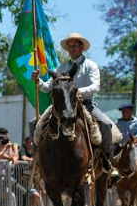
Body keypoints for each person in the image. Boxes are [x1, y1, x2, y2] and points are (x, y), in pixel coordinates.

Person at [31, 32, 117, 177]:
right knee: (35, 124)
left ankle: (107, 162)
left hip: (85, 104)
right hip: (63, 106)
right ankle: (36, 163)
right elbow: (47, 87)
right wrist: (37, 81)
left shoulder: (91, 66)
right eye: (69, 47)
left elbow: (95, 86)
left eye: (75, 46)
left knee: (106, 124)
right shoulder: (61, 67)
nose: (72, 49)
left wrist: (78, 92)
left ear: (82, 47)